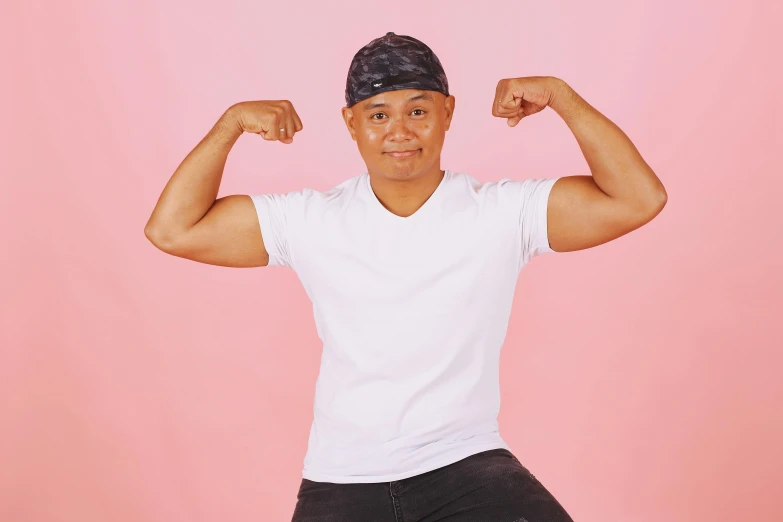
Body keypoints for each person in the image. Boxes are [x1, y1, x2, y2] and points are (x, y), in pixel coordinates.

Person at [145, 31, 666, 522]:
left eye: (418, 110)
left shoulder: (503, 213)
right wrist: (231, 123)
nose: (399, 131)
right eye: (378, 114)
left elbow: (638, 198)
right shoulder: (309, 220)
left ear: (447, 113)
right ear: (350, 123)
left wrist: (561, 97)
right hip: (342, 479)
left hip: (466, 467)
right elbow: (173, 229)